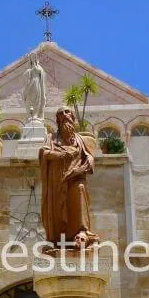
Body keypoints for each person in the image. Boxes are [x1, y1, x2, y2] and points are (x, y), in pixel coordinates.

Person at [39, 106, 98, 249]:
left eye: (67, 112)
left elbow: (88, 156)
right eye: (60, 113)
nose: (64, 115)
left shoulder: (80, 139)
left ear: (73, 117)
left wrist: (86, 165)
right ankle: (58, 239)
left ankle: (82, 232)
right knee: (58, 211)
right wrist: (60, 155)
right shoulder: (51, 138)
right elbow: (43, 153)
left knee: (80, 190)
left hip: (76, 178)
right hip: (57, 181)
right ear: (57, 119)